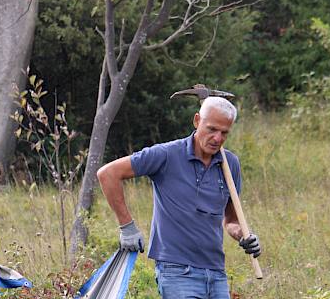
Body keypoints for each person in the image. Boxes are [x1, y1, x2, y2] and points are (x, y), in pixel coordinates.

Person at [97, 96, 261, 299]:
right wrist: (127, 227)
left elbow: (232, 221)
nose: (217, 138)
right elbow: (108, 174)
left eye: (224, 132)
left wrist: (245, 236)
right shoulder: (166, 155)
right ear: (197, 121)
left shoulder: (229, 165)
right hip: (177, 271)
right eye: (211, 129)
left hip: (216, 272)